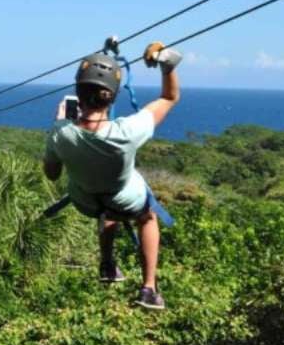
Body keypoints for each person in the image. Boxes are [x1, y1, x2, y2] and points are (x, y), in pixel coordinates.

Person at [42, 41, 182, 310]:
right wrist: (167, 66)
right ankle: (149, 288)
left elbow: (52, 174)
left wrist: (59, 123)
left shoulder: (60, 133)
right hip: (124, 200)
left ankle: (107, 264)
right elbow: (169, 98)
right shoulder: (127, 131)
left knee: (105, 204)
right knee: (147, 216)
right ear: (112, 96)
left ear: (78, 93)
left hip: (85, 201)